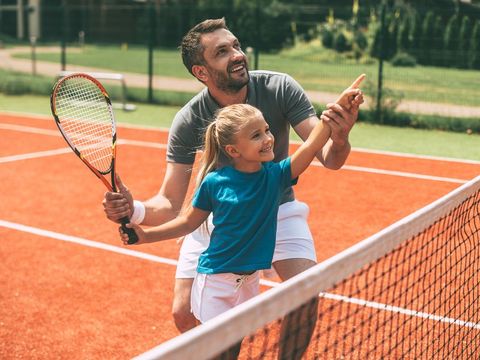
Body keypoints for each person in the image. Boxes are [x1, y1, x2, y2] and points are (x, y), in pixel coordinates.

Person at [103, 18, 363, 356]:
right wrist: (134, 210)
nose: (237, 55)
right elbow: (170, 202)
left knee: (305, 291)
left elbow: (328, 156)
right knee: (184, 314)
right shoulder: (188, 119)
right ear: (201, 71)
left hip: (276, 205)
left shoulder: (279, 88)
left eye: (236, 46)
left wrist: (340, 136)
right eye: (222, 52)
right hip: (217, 214)